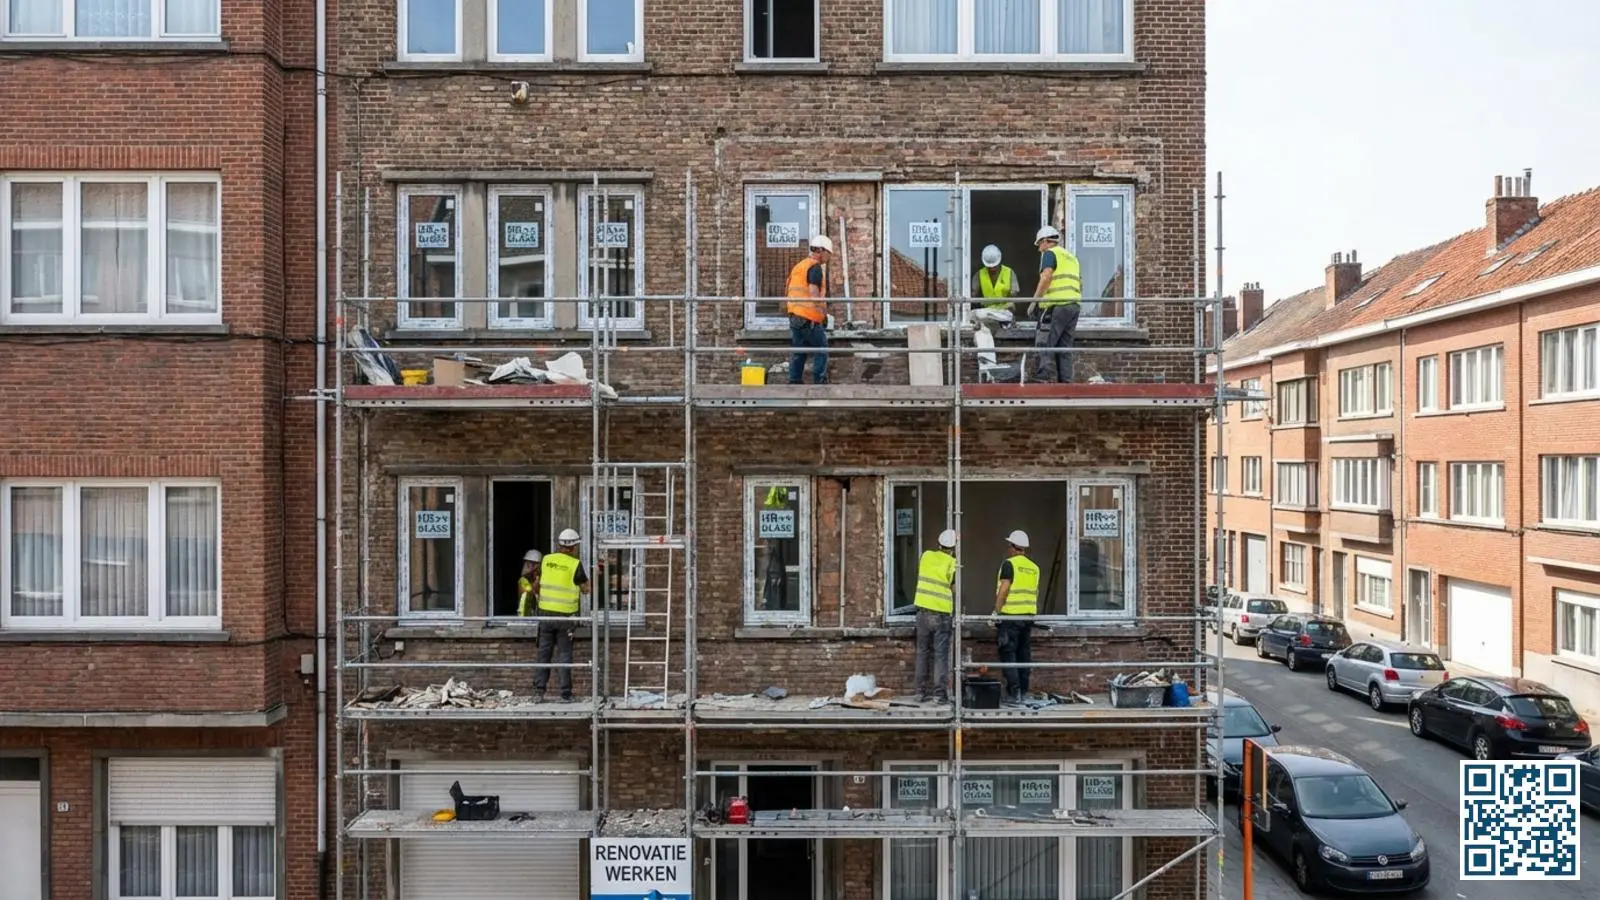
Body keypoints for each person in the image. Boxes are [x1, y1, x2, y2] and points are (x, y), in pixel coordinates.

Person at [534, 528, 590, 703]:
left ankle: (538, 692)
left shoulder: (546, 560)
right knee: (564, 655)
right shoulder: (574, 564)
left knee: (544, 654)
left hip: (545, 616)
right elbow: (586, 590)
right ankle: (565, 694)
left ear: (559, 544)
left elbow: (536, 585)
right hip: (565, 618)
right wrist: (597, 575)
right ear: (574, 547)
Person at [1027, 226, 1083, 383]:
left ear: (1046, 241)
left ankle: (1042, 375)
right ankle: (1066, 381)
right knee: (1064, 346)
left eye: (1039, 244)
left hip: (1056, 305)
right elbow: (1080, 283)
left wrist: (1034, 302)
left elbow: (1046, 277)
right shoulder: (1072, 258)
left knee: (1046, 340)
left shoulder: (1050, 254)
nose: (1039, 249)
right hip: (1074, 306)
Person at [912, 528, 959, 703]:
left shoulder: (926, 556)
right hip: (941, 614)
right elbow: (954, 589)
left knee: (922, 652)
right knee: (940, 655)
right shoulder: (952, 563)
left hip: (923, 612)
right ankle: (939, 695)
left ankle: (920, 693)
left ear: (939, 544)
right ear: (953, 548)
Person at [993, 529, 1038, 703]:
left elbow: (1004, 589)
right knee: (1023, 654)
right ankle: (1024, 691)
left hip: (1010, 617)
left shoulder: (1009, 564)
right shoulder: (1034, 568)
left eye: (1009, 545)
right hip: (1027, 617)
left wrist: (996, 611)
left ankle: (1014, 693)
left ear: (1013, 547)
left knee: (1008, 653)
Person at [786, 234, 834, 384]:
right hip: (808, 317)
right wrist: (824, 315)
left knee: (799, 351)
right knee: (822, 349)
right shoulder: (815, 268)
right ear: (820, 251)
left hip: (795, 316)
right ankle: (819, 383)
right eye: (828, 253)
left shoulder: (799, 266)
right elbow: (814, 295)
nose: (829, 257)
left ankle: (794, 382)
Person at [972, 244, 1020, 312]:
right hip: (987, 311)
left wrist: (1010, 303)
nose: (992, 268)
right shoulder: (979, 274)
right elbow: (973, 295)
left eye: (994, 266)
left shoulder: (1009, 272)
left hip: (1005, 310)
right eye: (989, 266)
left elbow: (1014, 293)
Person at [515, 549, 543, 617]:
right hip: (525, 617)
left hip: (538, 617)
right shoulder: (523, 580)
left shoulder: (541, 580)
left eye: (532, 564)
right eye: (528, 564)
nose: (528, 566)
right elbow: (529, 593)